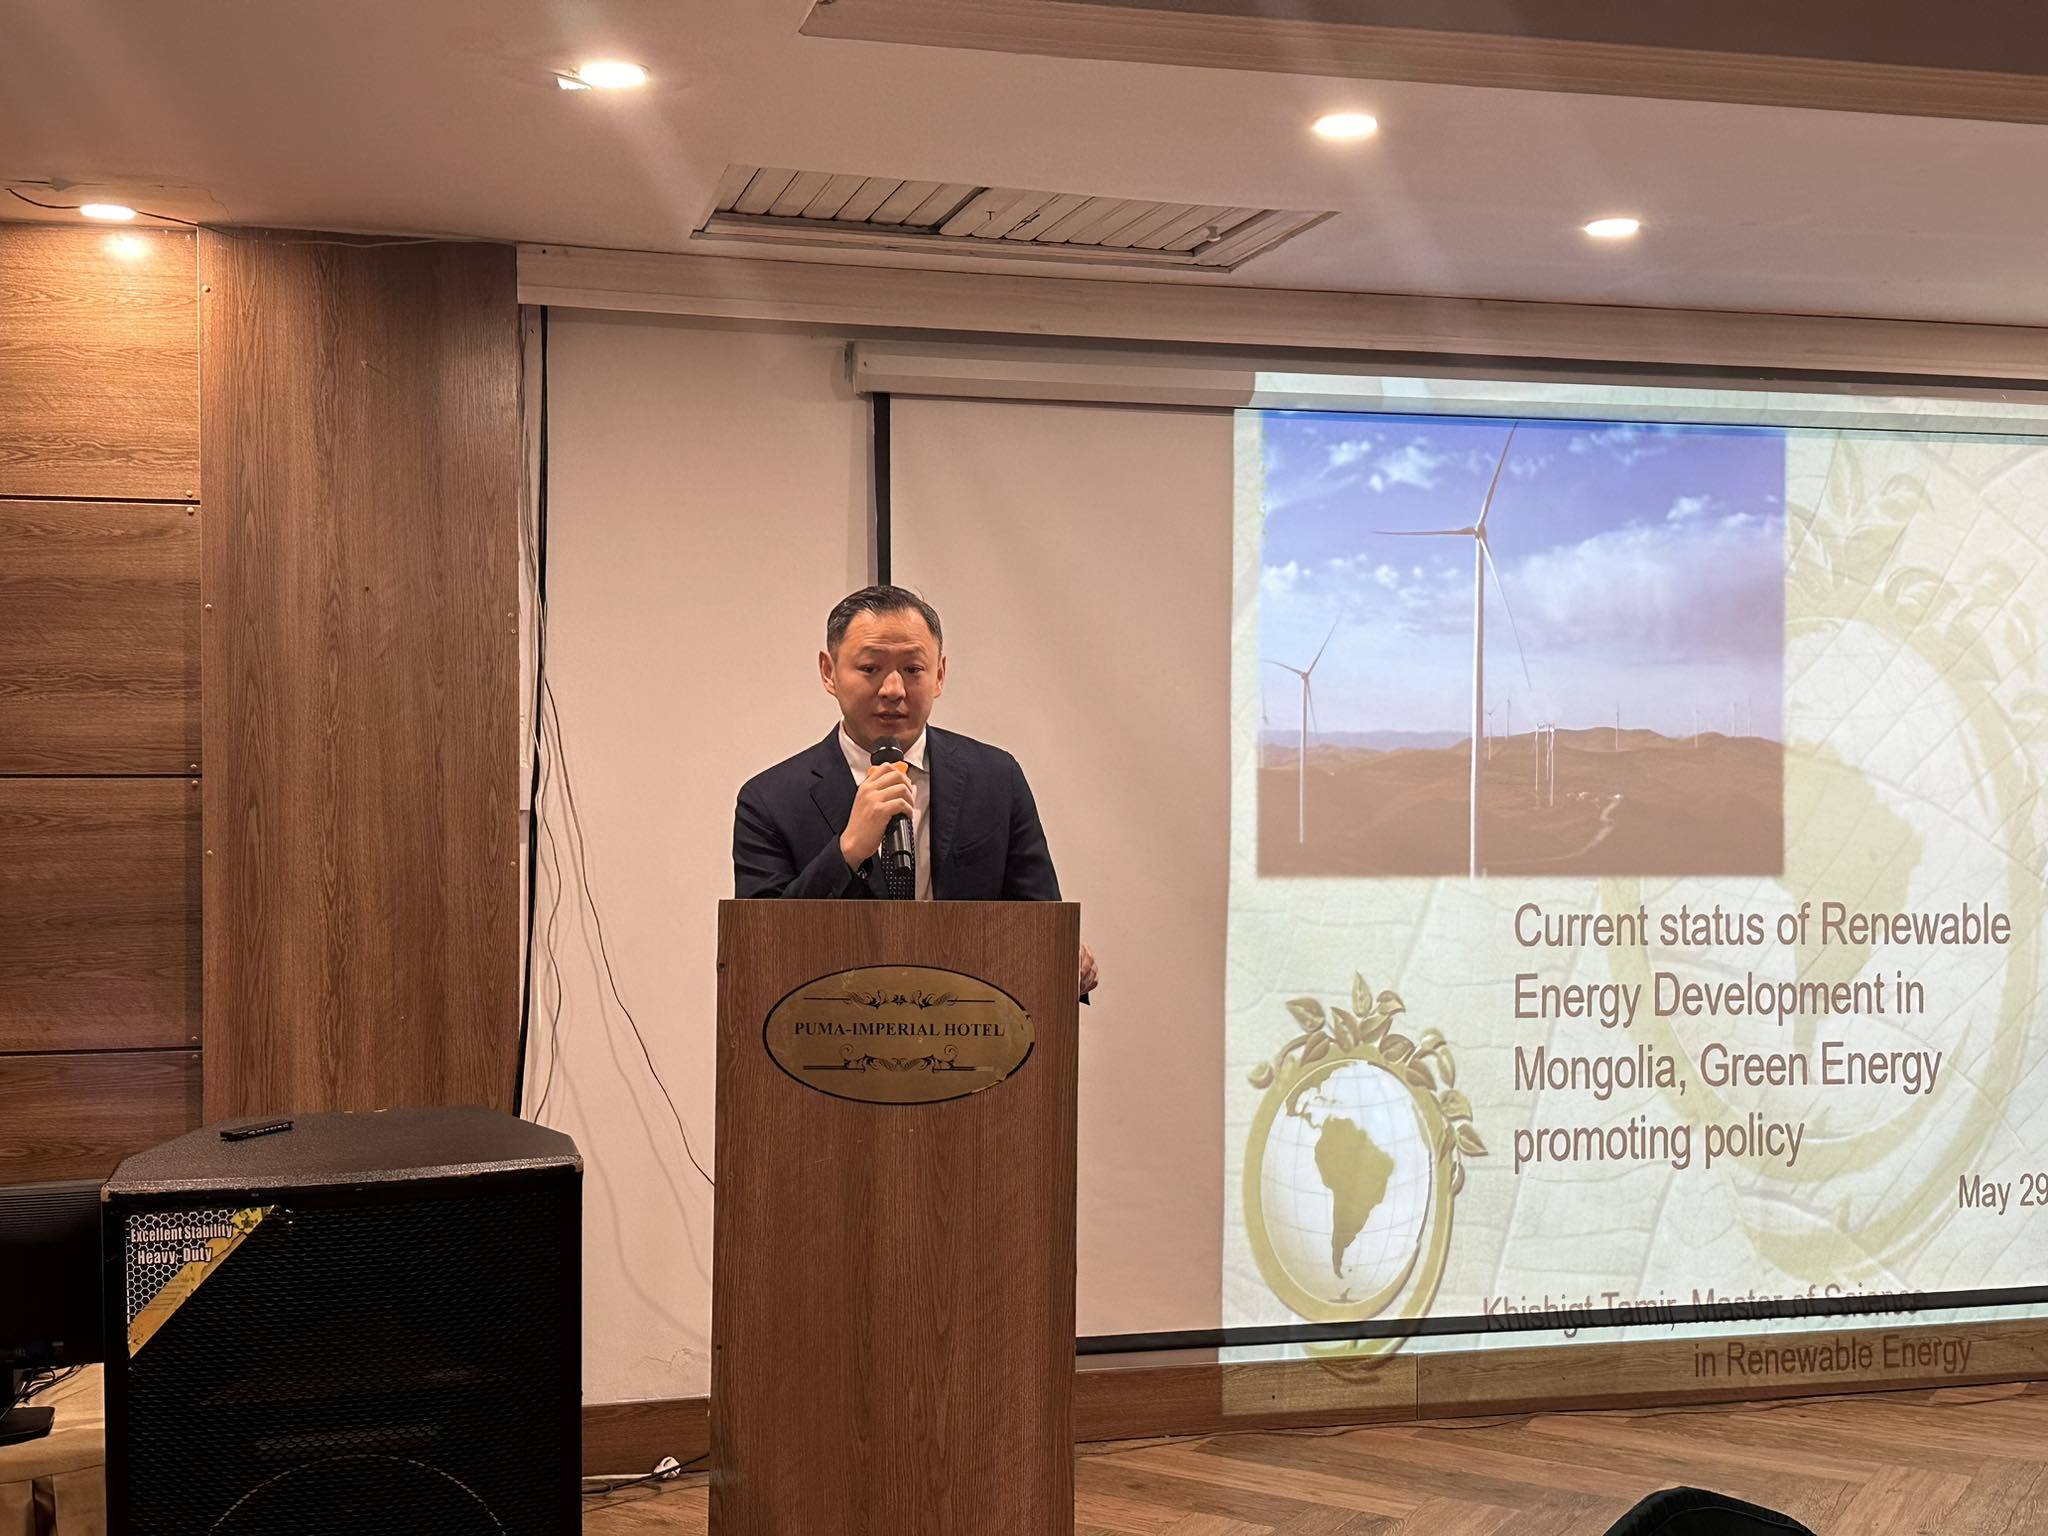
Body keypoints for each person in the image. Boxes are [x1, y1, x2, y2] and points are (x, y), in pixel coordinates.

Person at [733, 585, 1098, 1000]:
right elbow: (758, 952)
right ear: (828, 672)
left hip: (971, 1026)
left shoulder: (996, 779)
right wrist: (848, 851)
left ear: (939, 674)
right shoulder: (769, 800)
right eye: (870, 668)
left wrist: (1064, 959)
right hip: (829, 1025)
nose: (893, 689)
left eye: (912, 669)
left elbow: (1039, 922)